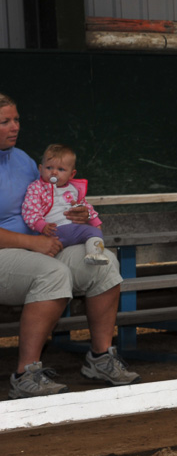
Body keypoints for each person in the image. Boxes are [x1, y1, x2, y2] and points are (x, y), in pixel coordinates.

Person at [0, 93, 139, 399]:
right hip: (10, 253)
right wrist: (32, 242)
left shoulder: (23, 160)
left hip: (41, 246)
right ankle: (26, 374)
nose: (15, 127)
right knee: (51, 273)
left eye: (17, 119)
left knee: (102, 262)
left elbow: (48, 201)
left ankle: (100, 358)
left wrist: (74, 213)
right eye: (5, 121)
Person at [21, 143, 109, 265]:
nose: (54, 173)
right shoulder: (37, 188)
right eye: (49, 168)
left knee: (94, 232)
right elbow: (30, 210)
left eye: (61, 169)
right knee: (48, 254)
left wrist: (94, 221)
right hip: (52, 232)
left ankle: (94, 254)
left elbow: (85, 207)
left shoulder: (74, 189)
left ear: (71, 174)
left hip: (74, 230)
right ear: (40, 169)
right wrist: (41, 226)